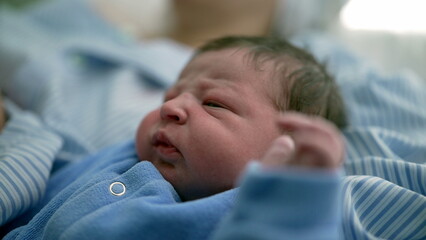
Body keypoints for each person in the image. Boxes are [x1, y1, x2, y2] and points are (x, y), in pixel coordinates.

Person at [2, 35, 346, 239]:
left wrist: (300, 193)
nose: (172, 108)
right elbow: (59, 172)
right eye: (169, 96)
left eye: (213, 103)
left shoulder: (244, 213)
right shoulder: (128, 156)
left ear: (284, 150)